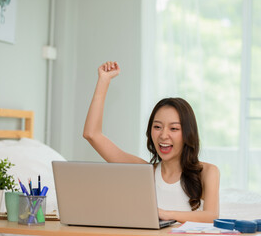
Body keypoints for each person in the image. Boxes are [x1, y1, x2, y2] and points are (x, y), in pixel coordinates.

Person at [83, 61, 220, 223]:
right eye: (157, 127)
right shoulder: (143, 171)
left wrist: (166, 214)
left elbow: (211, 216)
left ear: (187, 134)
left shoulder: (208, 172)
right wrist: (103, 81)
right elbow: (92, 134)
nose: (163, 135)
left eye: (174, 129)